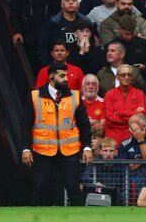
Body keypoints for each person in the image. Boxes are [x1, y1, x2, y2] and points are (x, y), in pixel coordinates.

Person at [20, 62, 93, 206]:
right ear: (51, 78)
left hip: (69, 151)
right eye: (62, 76)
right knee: (39, 188)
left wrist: (87, 148)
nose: (66, 79)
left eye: (66, 75)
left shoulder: (75, 96)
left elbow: (84, 124)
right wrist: (26, 148)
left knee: (73, 188)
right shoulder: (36, 96)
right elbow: (25, 124)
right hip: (43, 152)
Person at [9, 0, 52, 76]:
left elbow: (57, 9)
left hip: (46, 41)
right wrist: (17, 31)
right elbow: (14, 14)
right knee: (31, 73)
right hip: (29, 39)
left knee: (46, 74)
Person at [38, 0, 91, 66]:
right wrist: (50, 66)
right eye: (67, 0)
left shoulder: (86, 23)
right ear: (62, 4)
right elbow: (43, 48)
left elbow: (92, 47)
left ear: (78, 5)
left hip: (81, 66)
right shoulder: (52, 23)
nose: (71, 2)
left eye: (74, 0)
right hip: (57, 67)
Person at [118, 113, 146, 202]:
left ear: (144, 128)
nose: (129, 130)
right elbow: (125, 168)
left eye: (133, 127)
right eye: (129, 126)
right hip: (131, 180)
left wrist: (140, 140)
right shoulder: (124, 145)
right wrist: (144, 158)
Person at [104, 64, 146, 147]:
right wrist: (133, 115)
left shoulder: (140, 94)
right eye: (123, 75)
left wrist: (118, 113)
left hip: (133, 138)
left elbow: (141, 117)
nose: (127, 77)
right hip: (113, 140)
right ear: (117, 77)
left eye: (129, 75)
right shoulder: (109, 95)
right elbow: (109, 118)